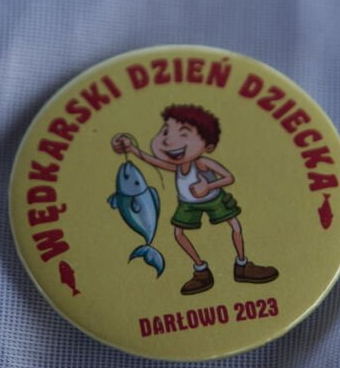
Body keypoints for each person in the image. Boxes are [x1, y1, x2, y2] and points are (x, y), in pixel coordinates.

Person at [112, 105, 278, 295]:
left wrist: (208, 186)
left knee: (234, 226)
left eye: (184, 134)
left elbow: (228, 178)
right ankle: (201, 271)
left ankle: (242, 265)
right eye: (165, 131)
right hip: (188, 204)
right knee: (179, 234)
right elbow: (153, 161)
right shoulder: (178, 167)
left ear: (208, 147)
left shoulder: (202, 162)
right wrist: (132, 149)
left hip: (214, 199)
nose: (169, 140)